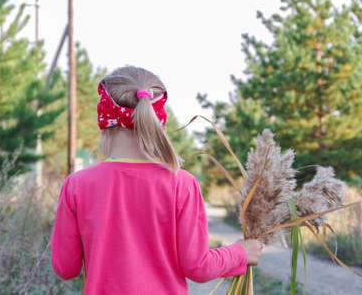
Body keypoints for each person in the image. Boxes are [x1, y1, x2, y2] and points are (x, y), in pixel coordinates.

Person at [50, 66, 263, 294]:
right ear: (158, 120)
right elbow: (198, 266)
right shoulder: (182, 184)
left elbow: (65, 268)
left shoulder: (77, 185)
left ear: (104, 121)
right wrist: (240, 252)